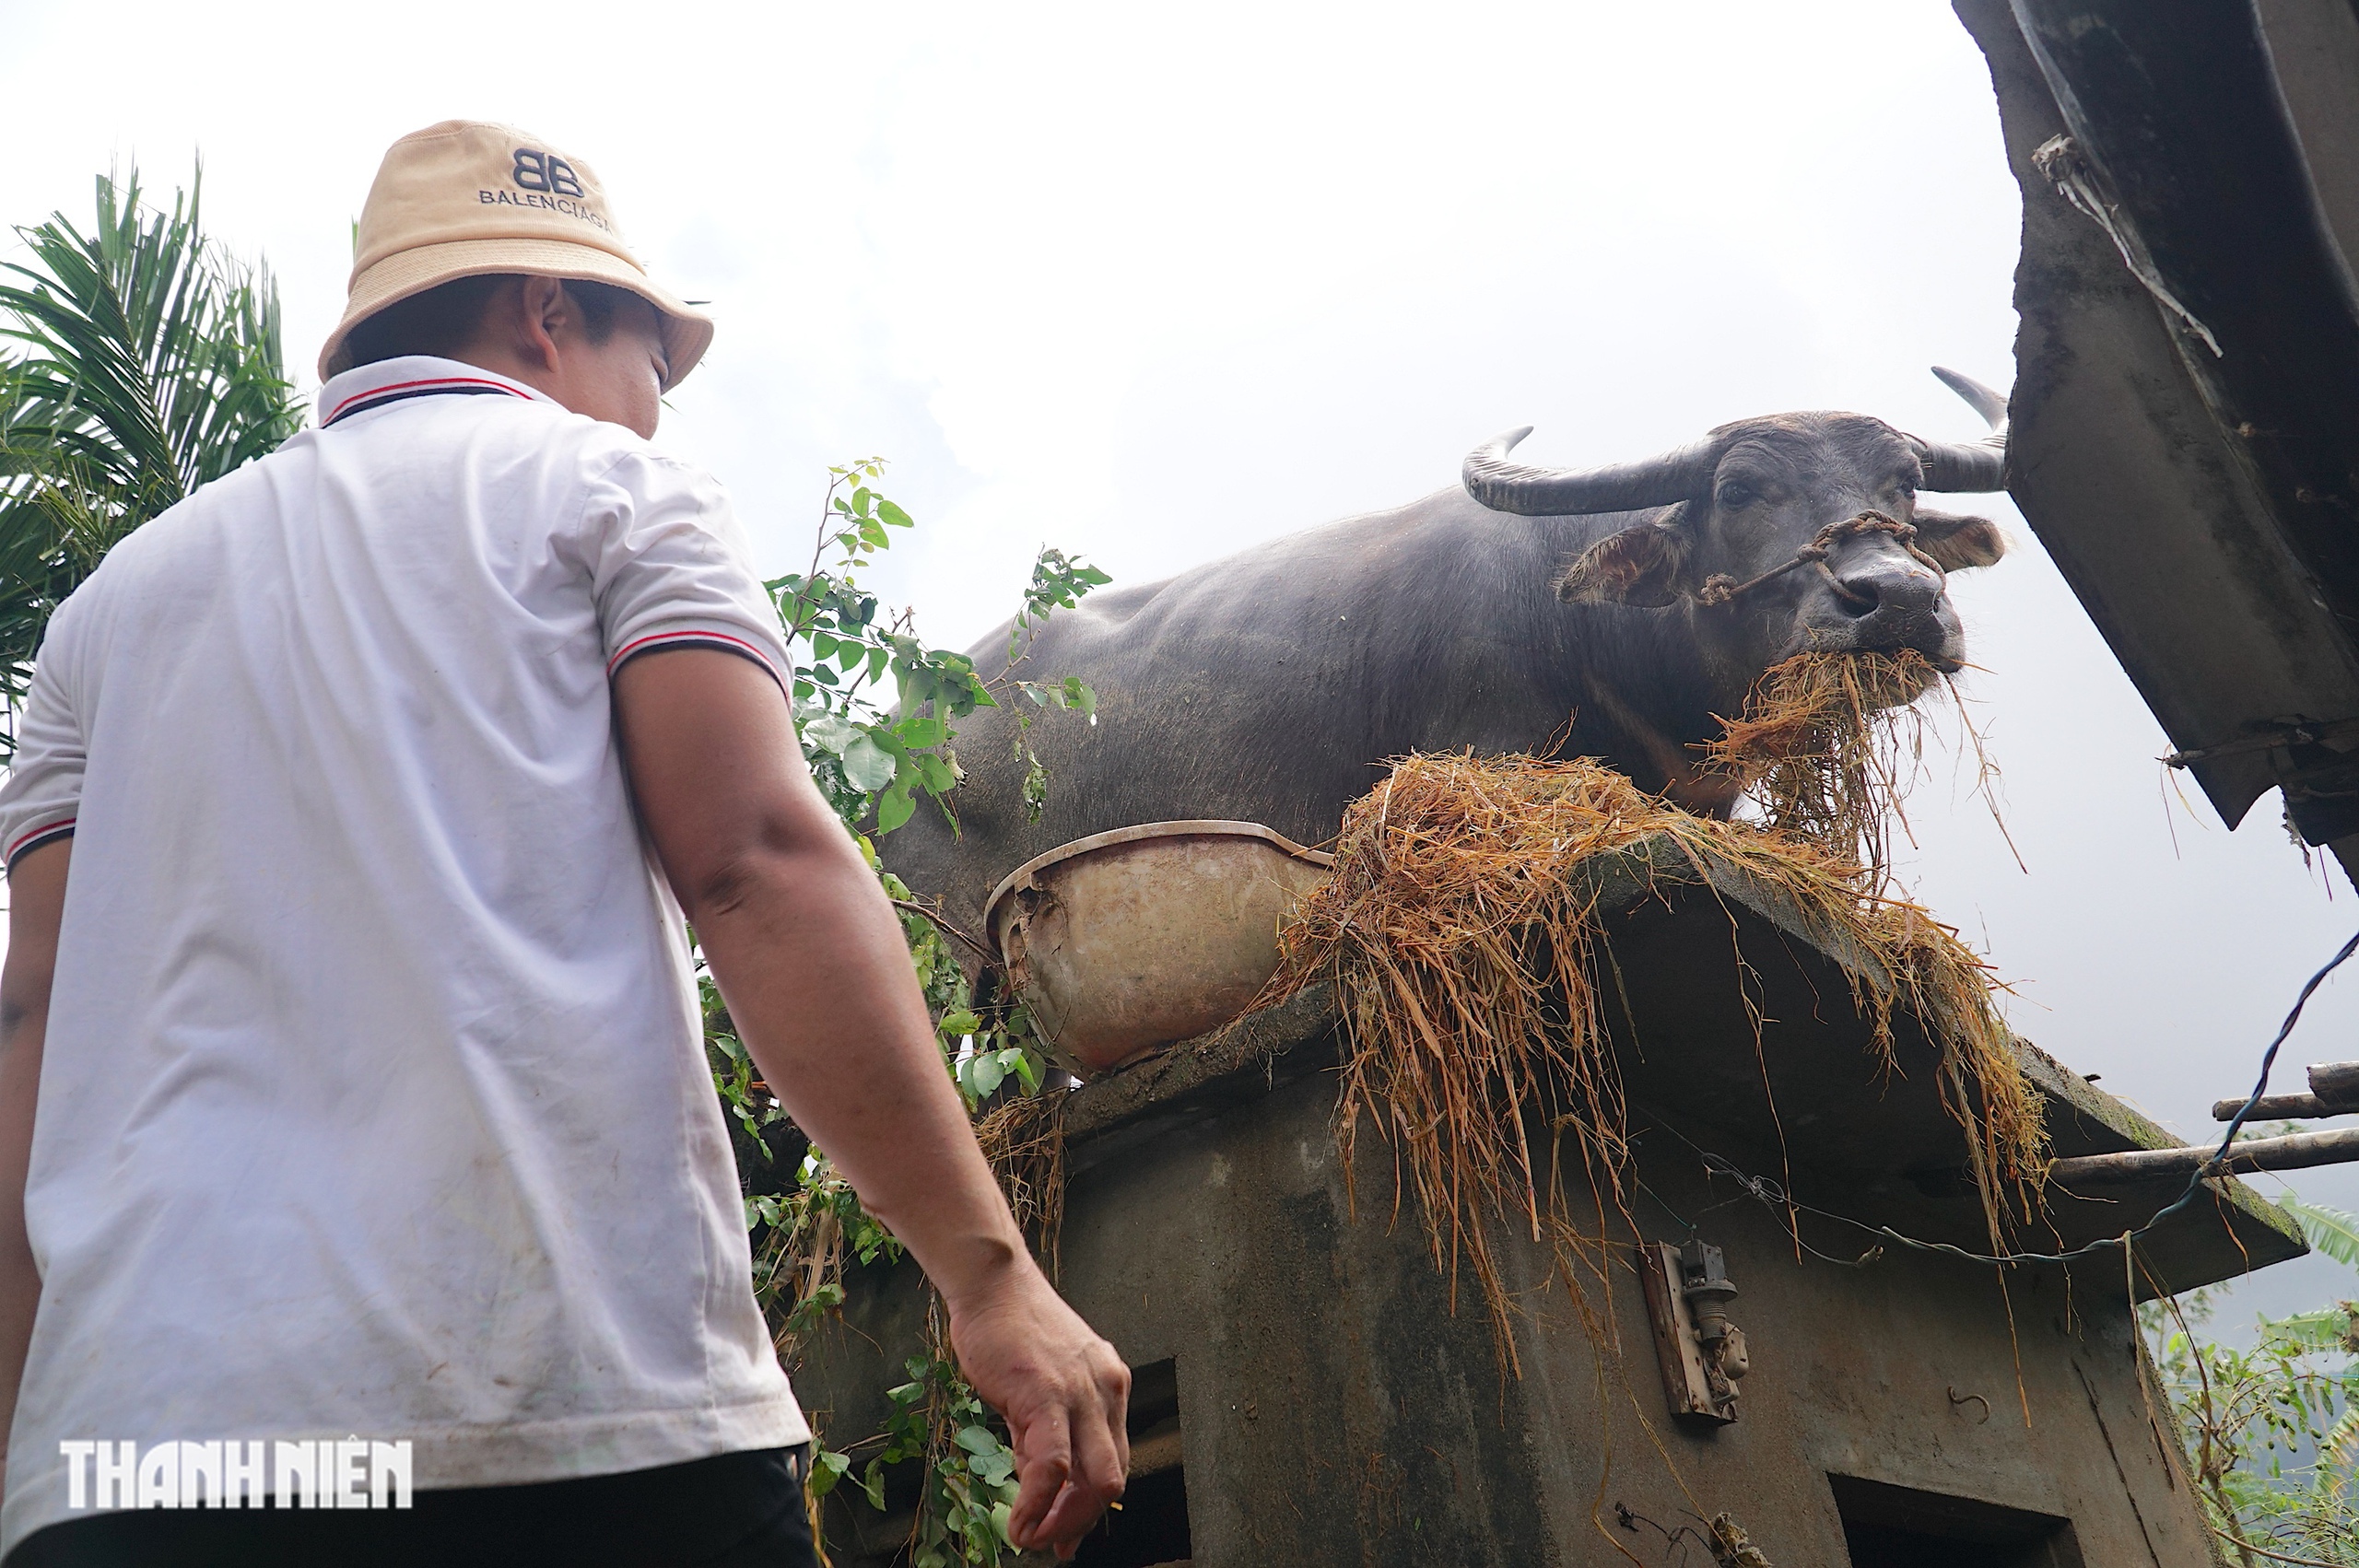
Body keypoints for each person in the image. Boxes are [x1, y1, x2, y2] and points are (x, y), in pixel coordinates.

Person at [0, 120, 1128, 1566]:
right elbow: (752, 866)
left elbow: (35, 1019)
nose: (654, 415)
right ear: (547, 312)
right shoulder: (608, 491)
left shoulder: (105, 613)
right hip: (568, 1437)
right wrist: (991, 1276)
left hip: (142, 1470)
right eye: (651, 366)